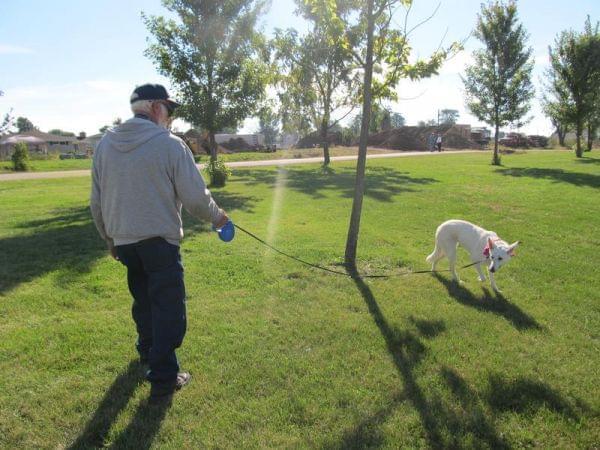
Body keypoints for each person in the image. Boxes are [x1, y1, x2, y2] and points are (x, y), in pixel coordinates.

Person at [90, 83, 229, 400]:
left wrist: (109, 239)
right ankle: (165, 375)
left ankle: (147, 353)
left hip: (124, 242)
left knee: (144, 300)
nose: (170, 117)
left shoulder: (104, 146)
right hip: (159, 242)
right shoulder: (170, 145)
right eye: (169, 109)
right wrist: (219, 217)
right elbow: (194, 198)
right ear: (154, 108)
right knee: (168, 308)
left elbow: (96, 202)